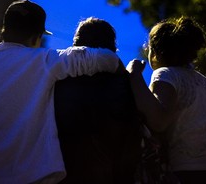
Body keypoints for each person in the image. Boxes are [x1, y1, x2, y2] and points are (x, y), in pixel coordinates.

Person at [0, 0, 122, 184]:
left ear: (4, 30)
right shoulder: (43, 61)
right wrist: (129, 74)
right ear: (36, 37)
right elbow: (104, 58)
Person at [126, 16, 206, 184]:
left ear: (156, 52)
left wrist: (134, 74)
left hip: (188, 173)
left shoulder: (166, 74)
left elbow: (158, 121)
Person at [54, 17, 141, 184]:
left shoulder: (56, 82)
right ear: (112, 47)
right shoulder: (127, 83)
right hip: (117, 175)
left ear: (76, 45)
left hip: (67, 175)